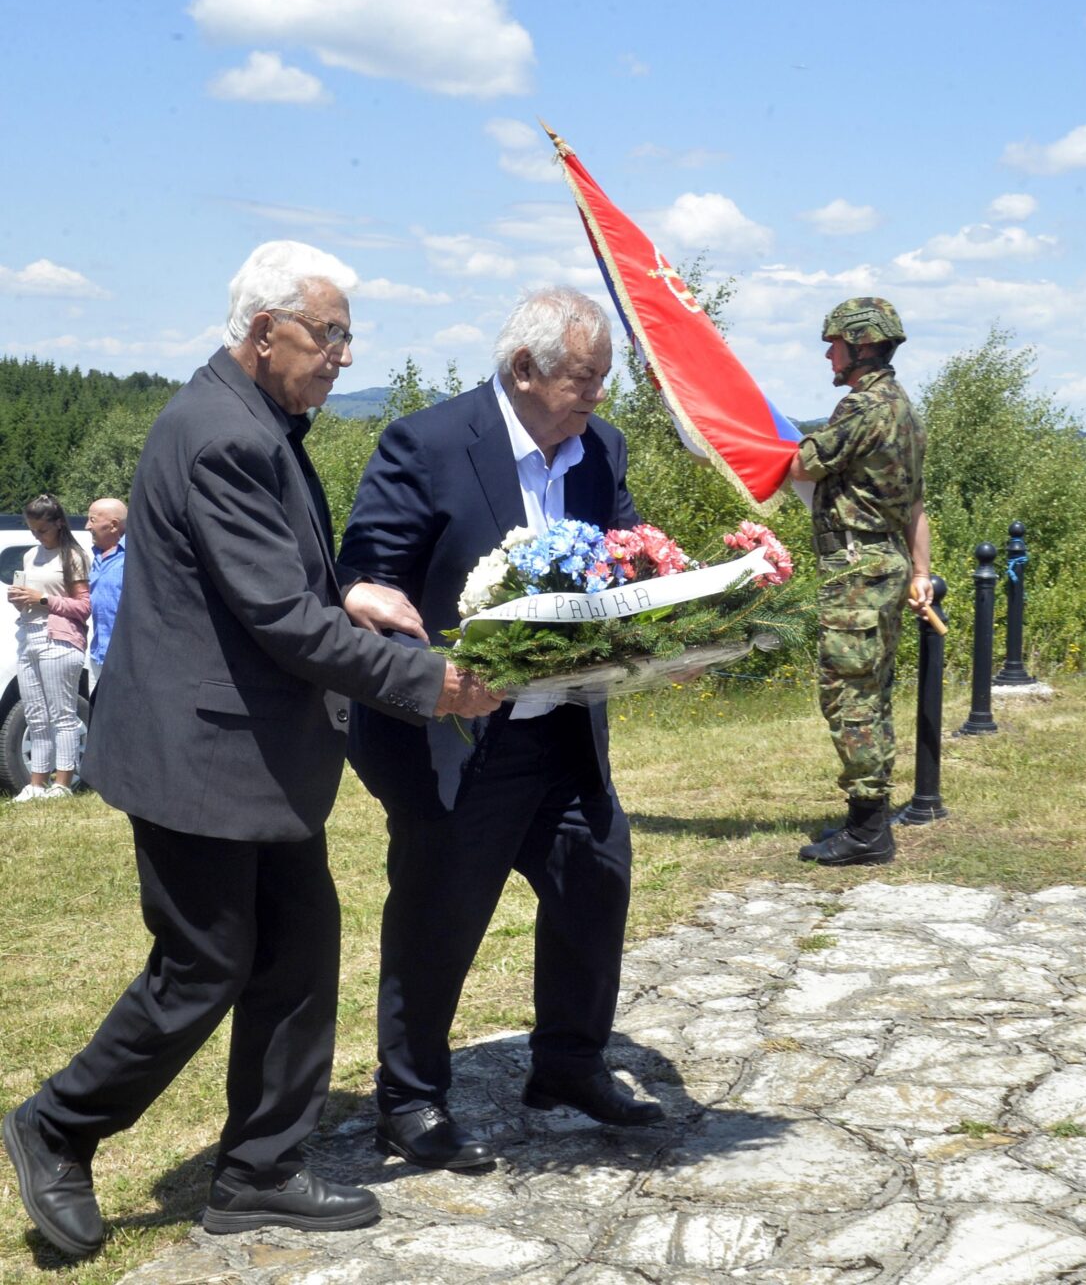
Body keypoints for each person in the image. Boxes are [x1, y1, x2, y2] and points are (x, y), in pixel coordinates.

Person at [1, 240, 499, 1259]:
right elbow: (279, 619)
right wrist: (427, 681)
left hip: (251, 761)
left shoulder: (254, 418)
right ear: (263, 331)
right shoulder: (223, 433)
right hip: (201, 760)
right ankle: (57, 1124)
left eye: (348, 338)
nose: (341, 358)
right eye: (330, 335)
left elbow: (274, 586)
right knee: (204, 964)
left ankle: (258, 1172)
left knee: (301, 950)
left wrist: (349, 592)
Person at [337, 286, 656, 1174]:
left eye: (602, 378)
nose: (596, 395)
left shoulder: (601, 450)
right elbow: (366, 577)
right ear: (524, 369)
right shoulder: (427, 443)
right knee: (439, 918)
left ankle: (567, 1067)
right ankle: (408, 1100)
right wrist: (430, 665)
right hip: (457, 740)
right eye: (583, 378)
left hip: (563, 731)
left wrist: (684, 622)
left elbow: (628, 553)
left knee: (597, 883)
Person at [787, 297, 932, 867]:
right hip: (887, 566)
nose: (828, 353)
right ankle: (864, 818)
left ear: (862, 346)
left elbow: (802, 465)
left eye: (835, 343)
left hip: (857, 574)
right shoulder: (906, 411)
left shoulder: (863, 409)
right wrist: (921, 572)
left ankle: (870, 832)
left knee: (849, 698)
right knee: (872, 693)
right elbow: (916, 502)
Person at [7, 494, 91, 801]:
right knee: (35, 714)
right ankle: (37, 784)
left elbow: (83, 607)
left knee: (62, 714)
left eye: (42, 530)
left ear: (58, 524)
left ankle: (63, 783)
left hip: (60, 639)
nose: (37, 536)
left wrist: (41, 599)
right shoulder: (31, 555)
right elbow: (30, 598)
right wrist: (20, 600)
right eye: (32, 530)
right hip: (28, 635)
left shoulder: (73, 556)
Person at [84, 497, 126, 688]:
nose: (87, 526)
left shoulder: (137, 556)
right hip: (98, 656)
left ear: (113, 525)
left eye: (92, 520)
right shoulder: (97, 557)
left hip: (127, 659)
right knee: (98, 716)